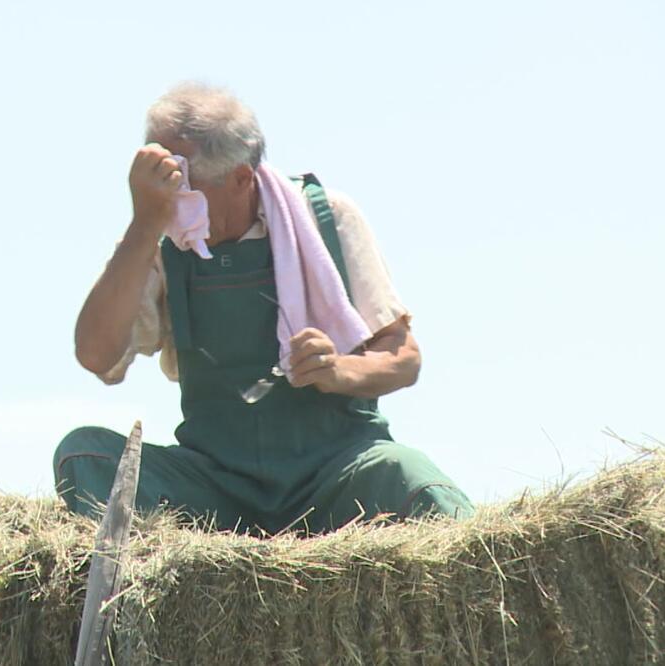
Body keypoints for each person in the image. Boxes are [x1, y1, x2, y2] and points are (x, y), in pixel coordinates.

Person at [54, 83, 473, 535]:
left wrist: (338, 371)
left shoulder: (325, 219)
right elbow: (95, 354)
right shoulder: (159, 240)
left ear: (240, 177)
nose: (178, 207)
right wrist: (143, 224)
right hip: (217, 489)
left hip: (335, 477)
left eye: (188, 190)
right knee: (85, 456)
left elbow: (404, 358)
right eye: (166, 189)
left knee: (413, 480)